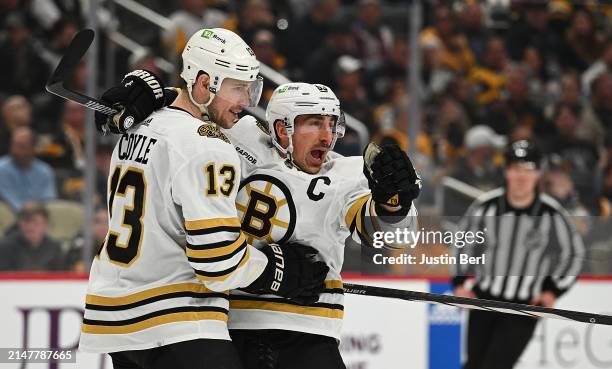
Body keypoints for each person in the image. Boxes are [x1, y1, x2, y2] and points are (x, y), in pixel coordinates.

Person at [96, 76, 420, 368]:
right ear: (282, 128)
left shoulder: (346, 175)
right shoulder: (236, 138)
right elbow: (196, 107)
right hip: (233, 326)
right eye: (313, 123)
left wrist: (394, 204)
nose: (326, 135)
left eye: (331, 123)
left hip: (307, 331)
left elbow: (393, 239)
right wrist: (153, 95)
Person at [80, 28, 328, 369]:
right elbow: (217, 261)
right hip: (175, 316)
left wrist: (159, 91)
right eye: (237, 87)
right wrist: (276, 271)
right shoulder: (207, 145)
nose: (246, 100)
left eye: (250, 87)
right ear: (203, 82)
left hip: (116, 316)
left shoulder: (138, 122)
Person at [452, 139, 584, 369]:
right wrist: (460, 283)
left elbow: (573, 254)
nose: (522, 176)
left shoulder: (551, 214)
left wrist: (552, 291)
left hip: (524, 307)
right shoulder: (487, 207)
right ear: (507, 171)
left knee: (495, 366)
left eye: (529, 169)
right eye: (516, 169)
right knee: (474, 365)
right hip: (484, 300)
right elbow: (464, 243)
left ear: (538, 174)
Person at [0, 126, 57, 211]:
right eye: (14, 144)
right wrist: (29, 209)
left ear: (33, 148)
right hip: (9, 217)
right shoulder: (2, 169)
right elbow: (10, 201)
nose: (15, 150)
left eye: (21, 146)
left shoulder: (45, 171)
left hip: (39, 217)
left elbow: (49, 201)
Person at [0, 202, 64, 271]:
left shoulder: (54, 248)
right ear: (19, 223)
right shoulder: (5, 246)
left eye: (36, 223)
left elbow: (60, 276)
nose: (30, 227)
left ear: (46, 225)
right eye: (26, 222)